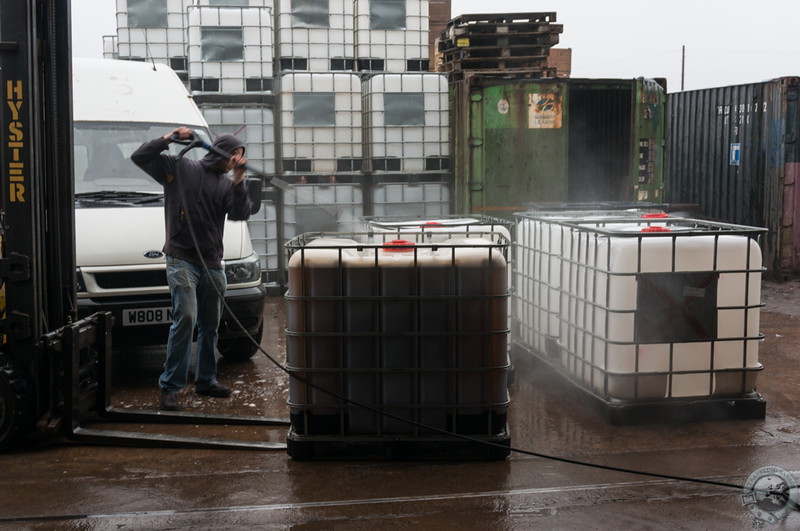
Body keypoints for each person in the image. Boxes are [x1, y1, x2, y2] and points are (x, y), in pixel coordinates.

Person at [131, 127, 252, 411]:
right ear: (218, 149)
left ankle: (206, 380)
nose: (237, 158)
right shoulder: (179, 167)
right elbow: (140, 157)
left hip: (212, 263)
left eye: (241, 155)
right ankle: (170, 387)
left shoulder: (225, 184)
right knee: (185, 318)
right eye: (234, 152)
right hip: (181, 258)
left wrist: (239, 178)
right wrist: (168, 138)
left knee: (210, 326)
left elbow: (239, 214)